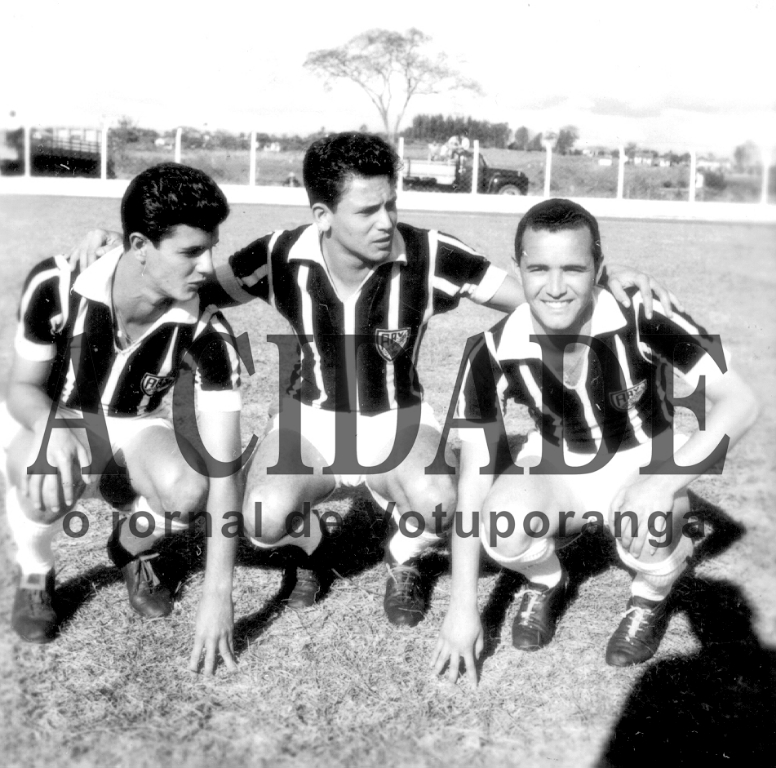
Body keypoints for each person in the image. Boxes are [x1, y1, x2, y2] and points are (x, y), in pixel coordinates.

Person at [70, 133, 675, 630]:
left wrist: (604, 274)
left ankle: (403, 555)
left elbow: (538, 298)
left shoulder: (428, 252)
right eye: (368, 210)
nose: (387, 220)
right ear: (322, 215)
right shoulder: (280, 256)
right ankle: (312, 547)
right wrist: (108, 250)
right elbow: (189, 279)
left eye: (391, 203)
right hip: (310, 424)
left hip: (400, 421)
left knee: (440, 503)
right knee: (261, 517)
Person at [431, 198, 758, 685]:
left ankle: (650, 593)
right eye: (538, 268)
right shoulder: (490, 348)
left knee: (651, 511)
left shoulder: (641, 315)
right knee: (500, 523)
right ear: (517, 267)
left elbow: (741, 402)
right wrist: (461, 608)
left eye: (574, 268)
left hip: (641, 459)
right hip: (558, 465)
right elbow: (473, 480)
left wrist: (661, 485)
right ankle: (546, 581)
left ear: (598, 269)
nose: (556, 286)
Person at [2, 163, 244, 676]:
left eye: (211, 247)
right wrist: (54, 427)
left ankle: (132, 544)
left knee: (188, 487)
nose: (207, 266)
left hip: (135, 425)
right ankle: (36, 572)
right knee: (39, 469)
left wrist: (218, 593)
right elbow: (20, 387)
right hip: (56, 416)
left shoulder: (206, 329)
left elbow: (225, 468)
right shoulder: (59, 280)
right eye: (191, 251)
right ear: (138, 244)